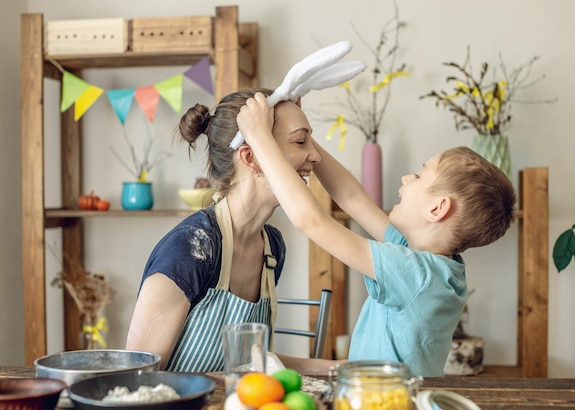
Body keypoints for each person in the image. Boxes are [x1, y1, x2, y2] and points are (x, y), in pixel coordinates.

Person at [236, 92, 517, 377]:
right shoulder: (428, 260)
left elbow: (312, 222)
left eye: (419, 176)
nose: (407, 178)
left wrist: (260, 138)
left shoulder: (416, 275)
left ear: (437, 208)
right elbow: (352, 196)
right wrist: (306, 144)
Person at [125, 88, 336, 375]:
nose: (315, 156)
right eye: (301, 141)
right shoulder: (190, 249)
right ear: (250, 157)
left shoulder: (272, 247)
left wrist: (337, 368)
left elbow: (252, 361)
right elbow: (138, 376)